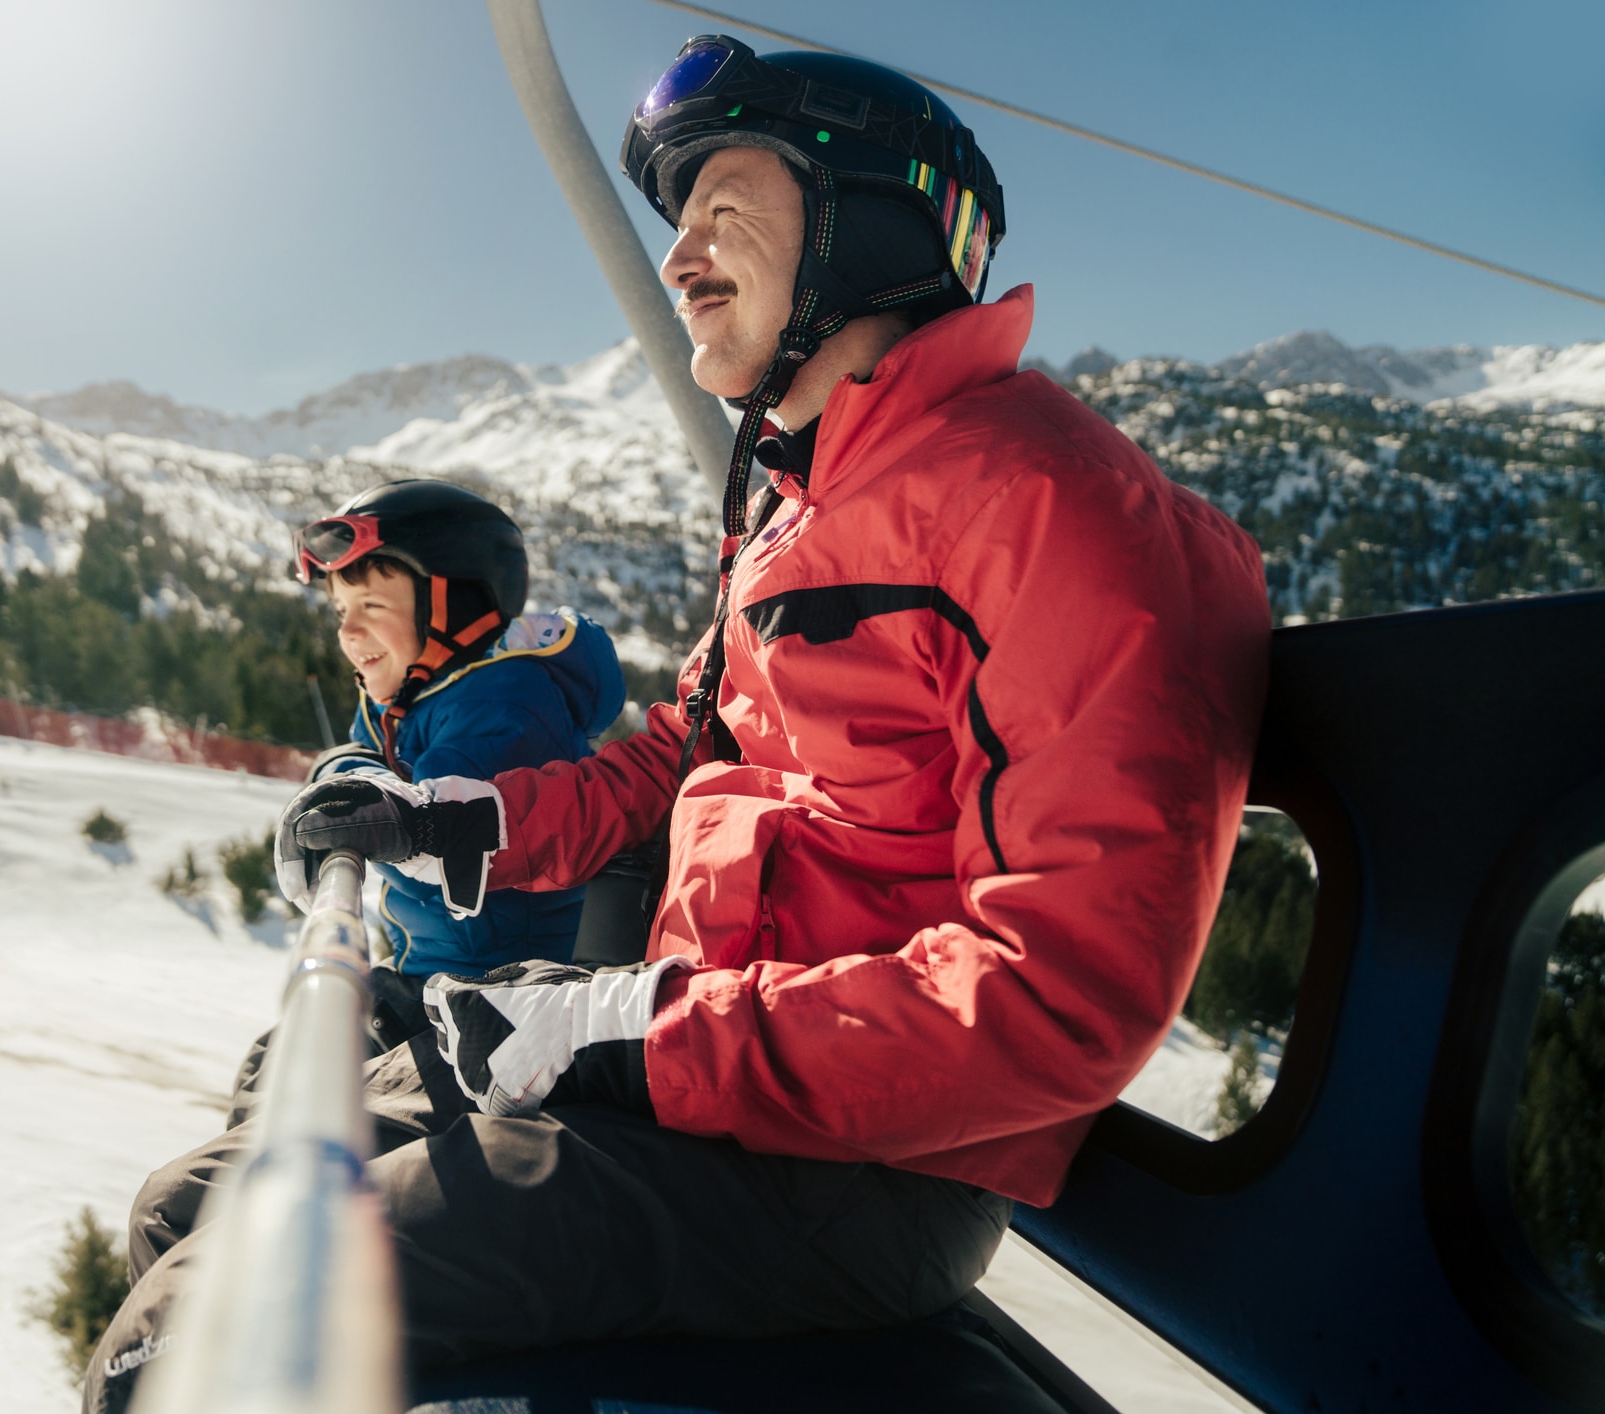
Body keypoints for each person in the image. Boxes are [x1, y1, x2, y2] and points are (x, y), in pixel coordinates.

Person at [86, 36, 1270, 1410]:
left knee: (202, 1331)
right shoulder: (800, 513)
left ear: (865, 224)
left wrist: (630, 1036)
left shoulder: (1057, 505)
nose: (678, 258)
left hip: (851, 1169)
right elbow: (672, 757)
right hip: (689, 1082)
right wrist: (457, 819)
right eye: (676, 219)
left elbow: (1062, 994)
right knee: (187, 1208)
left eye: (725, 209)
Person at [260, 479, 626, 1068]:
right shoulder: (414, 694)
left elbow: (421, 826)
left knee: (294, 1063)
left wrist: (370, 809)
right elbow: (366, 753)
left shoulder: (499, 706)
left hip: (501, 999)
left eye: (372, 608)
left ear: (454, 609)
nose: (348, 633)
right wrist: (347, 770)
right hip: (438, 977)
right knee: (277, 1056)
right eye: (340, 611)